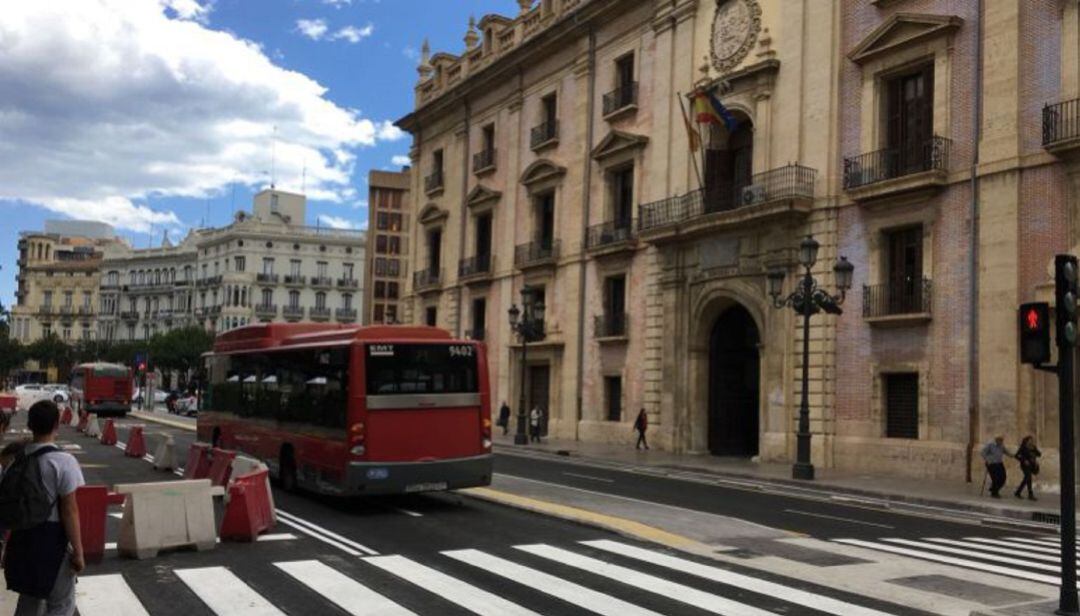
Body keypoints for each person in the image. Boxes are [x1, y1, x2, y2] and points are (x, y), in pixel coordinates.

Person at [3, 400, 85, 616]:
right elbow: (70, 511)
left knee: (29, 600)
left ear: (30, 425)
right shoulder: (64, 462)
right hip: (52, 541)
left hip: (22, 540)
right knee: (61, 603)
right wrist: (78, 552)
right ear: (56, 426)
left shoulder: (16, 459)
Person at [1014, 435, 1041, 501]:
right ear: (1026, 441)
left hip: (1032, 465)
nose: (1031, 441)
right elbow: (1016, 456)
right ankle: (1030, 494)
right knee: (1028, 477)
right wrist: (1024, 460)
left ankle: (1018, 492)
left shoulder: (1033, 447)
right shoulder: (1023, 447)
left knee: (1027, 479)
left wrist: (1034, 450)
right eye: (1030, 440)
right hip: (1025, 465)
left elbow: (1039, 454)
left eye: (1032, 440)